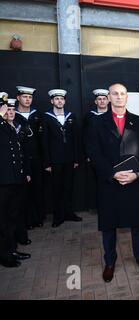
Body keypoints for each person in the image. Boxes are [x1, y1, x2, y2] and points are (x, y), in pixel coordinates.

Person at [87, 83, 139, 282]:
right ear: (108, 97)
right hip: (110, 183)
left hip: (134, 182)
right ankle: (109, 262)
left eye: (122, 93)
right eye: (115, 93)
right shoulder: (97, 123)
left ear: (127, 97)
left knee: (137, 223)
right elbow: (94, 153)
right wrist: (112, 174)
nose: (119, 97)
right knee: (109, 225)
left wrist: (138, 174)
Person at [41, 89, 82, 228]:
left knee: (69, 187)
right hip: (55, 160)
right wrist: (47, 162)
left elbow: (76, 139)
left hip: (69, 159)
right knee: (56, 189)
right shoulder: (46, 117)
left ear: (64, 101)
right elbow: (44, 142)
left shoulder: (71, 117)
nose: (59, 101)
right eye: (57, 99)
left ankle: (69, 213)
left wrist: (76, 159)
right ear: (52, 101)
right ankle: (58, 216)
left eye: (62, 99)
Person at [0, 96, 31, 268]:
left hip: (14, 179)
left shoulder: (11, 128)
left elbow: (18, 155)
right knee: (3, 220)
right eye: (6, 109)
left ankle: (11, 249)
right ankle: (5, 255)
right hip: (3, 182)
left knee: (12, 217)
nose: (9, 112)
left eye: (12, 109)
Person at [14, 86, 45, 231]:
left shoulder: (36, 115)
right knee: (24, 191)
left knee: (38, 188)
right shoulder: (12, 114)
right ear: (18, 97)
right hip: (21, 160)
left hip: (36, 158)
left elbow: (43, 139)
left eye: (30, 97)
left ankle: (39, 217)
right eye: (25, 97)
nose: (28, 100)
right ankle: (27, 219)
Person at [83, 89, 109, 214]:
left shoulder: (113, 115)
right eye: (99, 99)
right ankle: (98, 207)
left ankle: (109, 205)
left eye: (104, 99)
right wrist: (88, 154)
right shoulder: (89, 116)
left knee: (110, 181)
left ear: (108, 100)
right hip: (95, 155)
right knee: (96, 182)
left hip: (110, 155)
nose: (102, 101)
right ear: (95, 101)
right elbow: (85, 137)